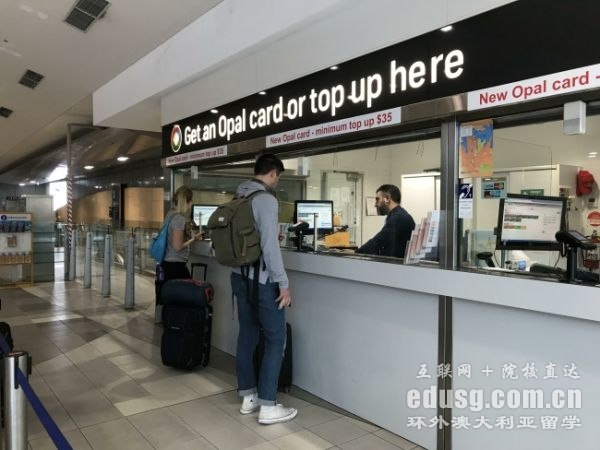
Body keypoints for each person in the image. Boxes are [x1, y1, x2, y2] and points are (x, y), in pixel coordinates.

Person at [230, 153, 297, 425]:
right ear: (272, 174)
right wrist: (284, 283)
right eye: (277, 177)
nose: (277, 182)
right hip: (262, 280)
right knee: (275, 339)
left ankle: (249, 397)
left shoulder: (238, 196)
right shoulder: (266, 200)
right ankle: (268, 406)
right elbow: (270, 248)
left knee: (247, 335)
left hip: (238, 277)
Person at [356, 184, 415, 258]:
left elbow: (378, 242)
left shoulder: (397, 218)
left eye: (377, 199)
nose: (375, 204)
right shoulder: (399, 215)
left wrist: (355, 253)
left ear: (387, 198)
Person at [161, 185, 199, 280]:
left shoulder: (170, 213)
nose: (191, 203)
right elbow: (177, 247)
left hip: (167, 263)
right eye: (191, 200)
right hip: (175, 265)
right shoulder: (179, 218)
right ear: (186, 201)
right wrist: (192, 239)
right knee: (187, 288)